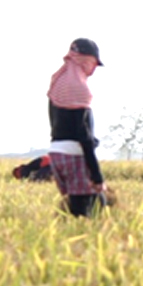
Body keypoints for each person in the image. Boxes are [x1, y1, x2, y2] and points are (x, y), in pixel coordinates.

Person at [47, 38, 107, 217]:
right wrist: (97, 176)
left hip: (57, 153)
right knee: (87, 209)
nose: (94, 69)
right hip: (75, 155)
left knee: (87, 202)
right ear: (85, 60)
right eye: (93, 63)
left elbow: (58, 125)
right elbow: (84, 137)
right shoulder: (78, 88)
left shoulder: (59, 82)